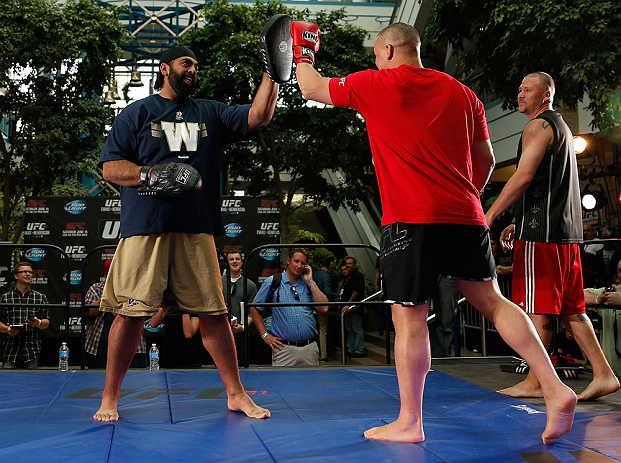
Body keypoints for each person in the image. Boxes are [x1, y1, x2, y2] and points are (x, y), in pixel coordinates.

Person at [293, 21, 576, 444]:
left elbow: (312, 88)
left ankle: (410, 422)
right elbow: (485, 160)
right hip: (465, 214)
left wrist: (303, 50)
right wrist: (461, 194)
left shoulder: (378, 82)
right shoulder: (463, 93)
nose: (375, 60)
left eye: (375, 54)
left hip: (410, 218)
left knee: (409, 321)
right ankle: (555, 388)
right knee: (493, 303)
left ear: (388, 51)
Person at [94, 45, 278, 422]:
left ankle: (237, 395)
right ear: (165, 69)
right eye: (186, 63)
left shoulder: (210, 111)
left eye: (196, 64)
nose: (193, 69)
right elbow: (111, 168)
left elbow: (259, 116)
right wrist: (150, 174)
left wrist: (272, 74)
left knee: (214, 314)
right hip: (146, 229)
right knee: (129, 316)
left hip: (197, 229)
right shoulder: (138, 112)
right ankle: (110, 397)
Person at [485, 71, 619, 403]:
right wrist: (518, 220)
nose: (520, 94)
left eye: (527, 90)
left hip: (542, 237)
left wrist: (488, 216)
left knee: (536, 309)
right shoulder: (560, 126)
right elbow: (548, 187)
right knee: (573, 309)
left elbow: (524, 176)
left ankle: (535, 380)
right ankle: (604, 374)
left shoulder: (538, 126)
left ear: (546, 95)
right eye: (519, 89)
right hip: (565, 235)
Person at [251, 248, 329, 366]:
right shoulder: (273, 282)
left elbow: (324, 308)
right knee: (281, 383)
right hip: (284, 349)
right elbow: (254, 308)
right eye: (296, 261)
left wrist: (311, 282)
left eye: (303, 263)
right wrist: (265, 335)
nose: (299, 266)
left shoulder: (308, 284)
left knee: (311, 384)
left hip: (309, 348)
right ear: (288, 260)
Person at [85, 259, 146, 368]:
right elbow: (90, 313)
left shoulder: (134, 289)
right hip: (101, 346)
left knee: (135, 379)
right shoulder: (96, 289)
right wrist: (108, 294)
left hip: (130, 344)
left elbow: (141, 312)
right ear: (105, 275)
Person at [0, 262, 49, 369]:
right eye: (24, 272)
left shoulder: (40, 297)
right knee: (8, 384)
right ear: (16, 275)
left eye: (30, 272)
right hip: (11, 351)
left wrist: (38, 323)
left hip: (32, 351)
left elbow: (47, 322)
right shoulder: (5, 298)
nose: (28, 274)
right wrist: (8, 329)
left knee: (31, 384)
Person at [583, 258, 621, 378]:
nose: (620, 275)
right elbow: (578, 295)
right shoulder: (613, 292)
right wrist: (598, 299)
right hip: (613, 377)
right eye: (619, 271)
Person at [222, 251, 257, 366]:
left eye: (237, 259)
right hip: (221, 337)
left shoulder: (250, 285)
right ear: (227, 263)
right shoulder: (218, 283)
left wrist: (242, 327)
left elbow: (252, 313)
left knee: (243, 370)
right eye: (231, 259)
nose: (235, 261)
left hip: (242, 337)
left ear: (242, 263)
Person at [150, 304, 202, 368]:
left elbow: (188, 334)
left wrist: (183, 309)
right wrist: (164, 306)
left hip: (189, 359)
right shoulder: (170, 310)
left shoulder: (194, 312)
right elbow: (153, 324)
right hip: (169, 358)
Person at [313, 258, 339, 361]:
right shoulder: (326, 276)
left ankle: (322, 352)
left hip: (316, 303)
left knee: (322, 328)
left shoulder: (315, 275)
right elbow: (328, 292)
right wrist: (338, 295)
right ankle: (324, 353)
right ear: (329, 266)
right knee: (324, 329)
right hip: (325, 304)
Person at [341, 256, 366, 358]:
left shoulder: (358, 276)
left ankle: (359, 349)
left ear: (355, 265)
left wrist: (348, 304)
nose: (347, 265)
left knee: (356, 328)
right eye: (346, 263)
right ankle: (351, 349)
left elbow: (356, 292)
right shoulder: (348, 276)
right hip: (347, 308)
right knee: (349, 329)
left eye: (350, 263)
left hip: (355, 307)